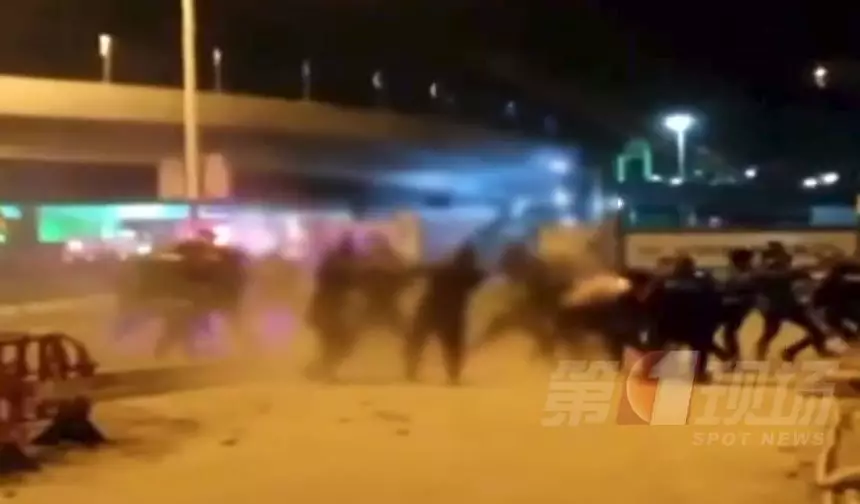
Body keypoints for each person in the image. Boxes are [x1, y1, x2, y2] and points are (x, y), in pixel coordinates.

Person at [406, 244, 485, 385]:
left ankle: (410, 371)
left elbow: (417, 271)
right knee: (453, 346)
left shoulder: (442, 269)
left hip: (430, 309)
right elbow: (481, 276)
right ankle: (453, 376)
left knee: (417, 341)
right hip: (451, 314)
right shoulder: (471, 274)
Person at [642, 253, 722, 382]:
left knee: (658, 347)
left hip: (668, 323)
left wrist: (653, 319)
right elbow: (715, 300)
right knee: (701, 347)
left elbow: (649, 302)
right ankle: (699, 374)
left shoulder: (663, 281)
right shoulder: (702, 281)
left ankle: (645, 372)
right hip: (693, 324)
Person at [754, 247, 833, 362]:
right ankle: (784, 353)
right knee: (814, 331)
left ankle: (790, 352)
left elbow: (800, 274)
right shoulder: (769, 273)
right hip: (781, 308)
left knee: (815, 331)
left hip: (784, 307)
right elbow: (791, 274)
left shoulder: (767, 272)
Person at [718, 248, 757, 366]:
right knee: (729, 332)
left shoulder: (746, 274)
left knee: (729, 332)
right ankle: (733, 357)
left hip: (737, 306)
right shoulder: (746, 272)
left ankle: (732, 358)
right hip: (737, 305)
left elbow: (732, 288)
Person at [812, 252, 860, 343]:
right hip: (836, 311)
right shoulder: (836, 282)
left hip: (837, 311)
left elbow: (817, 300)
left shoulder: (831, 281)